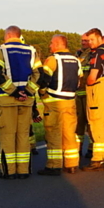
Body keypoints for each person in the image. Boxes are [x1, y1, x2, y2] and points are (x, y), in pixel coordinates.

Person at [0, 25, 42, 179]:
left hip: (7, 100)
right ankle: (23, 170)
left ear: (8, 35)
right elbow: (39, 74)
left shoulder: (2, 50)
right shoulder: (32, 51)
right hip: (26, 101)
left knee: (7, 135)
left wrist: (13, 91)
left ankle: (9, 171)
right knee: (23, 135)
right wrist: (28, 91)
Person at [37, 34, 81, 176]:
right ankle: (72, 164)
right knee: (69, 133)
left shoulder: (52, 59)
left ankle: (54, 166)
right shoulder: (76, 60)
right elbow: (79, 81)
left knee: (53, 133)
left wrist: (42, 92)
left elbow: (44, 79)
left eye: (51, 43)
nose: (50, 46)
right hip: (71, 101)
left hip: (55, 102)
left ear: (57, 44)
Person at [82, 28, 104, 170]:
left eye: (91, 40)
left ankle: (99, 159)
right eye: (88, 40)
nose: (89, 43)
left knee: (96, 123)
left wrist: (84, 82)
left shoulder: (96, 54)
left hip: (98, 88)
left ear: (99, 38)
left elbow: (91, 78)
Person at [75, 32, 91, 163]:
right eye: (82, 41)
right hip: (78, 94)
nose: (83, 43)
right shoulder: (78, 54)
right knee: (78, 123)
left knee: (91, 123)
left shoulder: (93, 54)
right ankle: (77, 148)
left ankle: (92, 149)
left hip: (89, 93)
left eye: (86, 41)